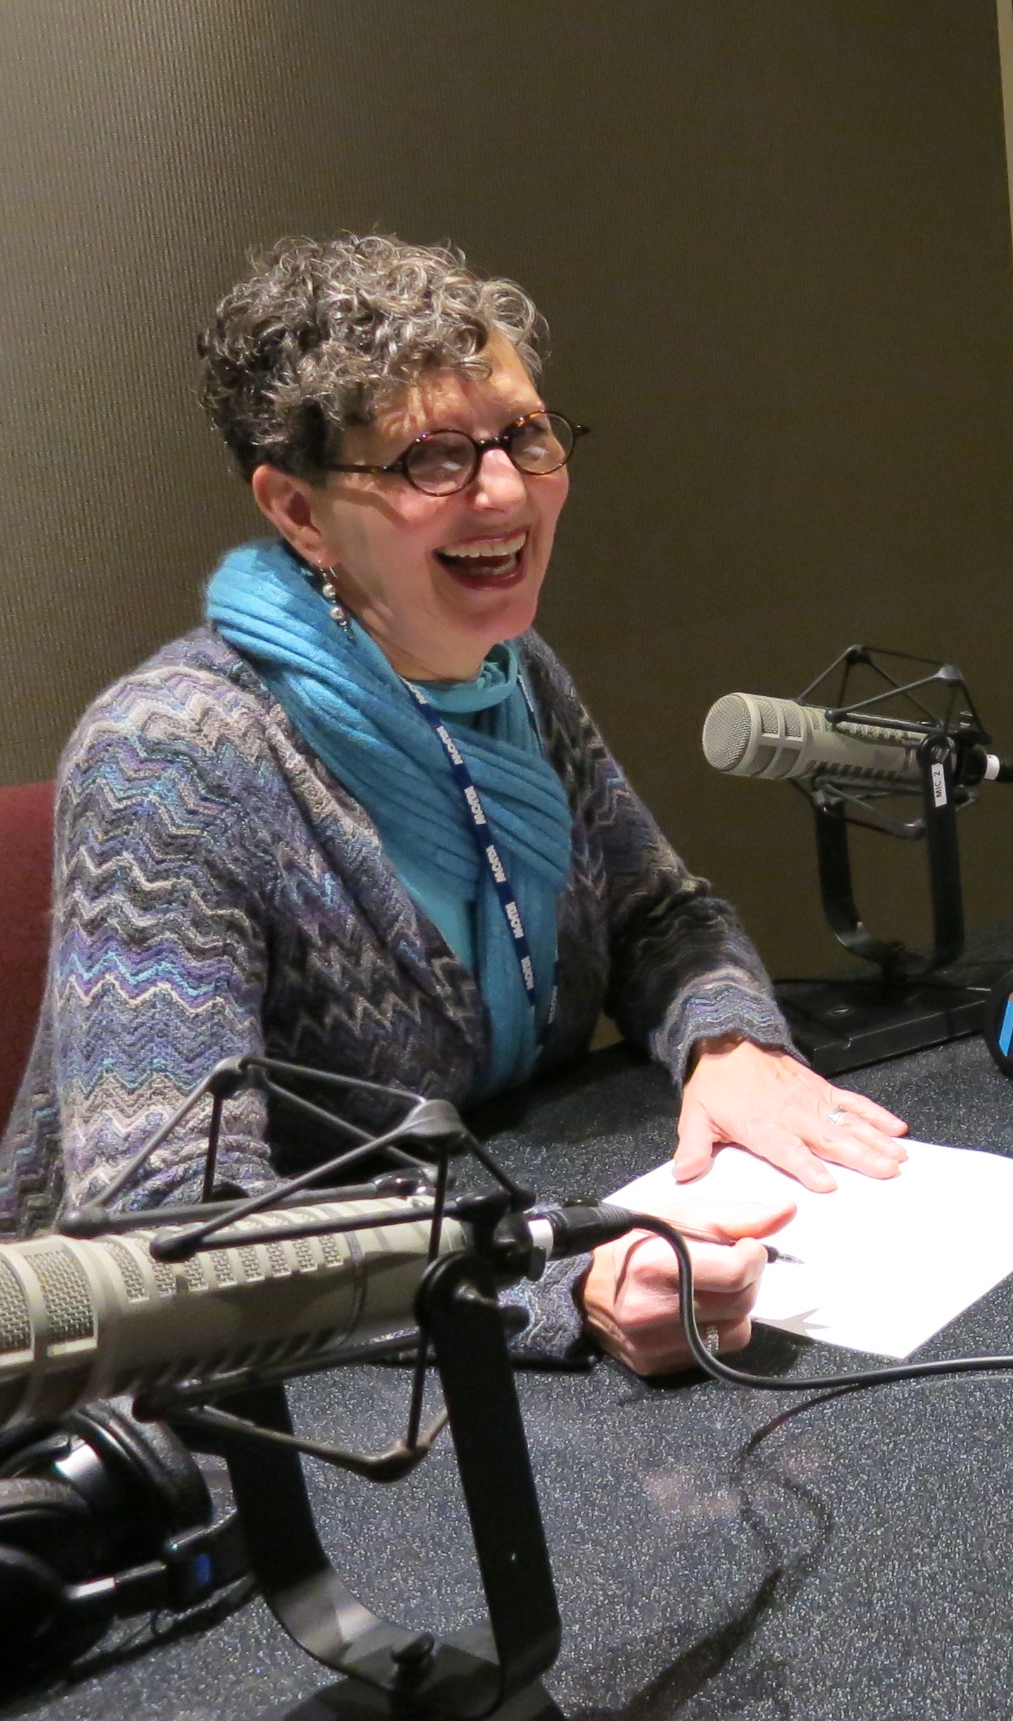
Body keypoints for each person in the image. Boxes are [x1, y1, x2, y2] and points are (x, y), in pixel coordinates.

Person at [0, 234, 909, 1369]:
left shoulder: (511, 675)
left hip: (500, 1216)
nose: (504, 491)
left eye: (525, 435)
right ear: (297, 510)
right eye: (430, 459)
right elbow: (176, 1232)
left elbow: (659, 916)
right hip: (207, 1401)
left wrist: (726, 1042)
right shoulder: (173, 761)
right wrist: (548, 1286)